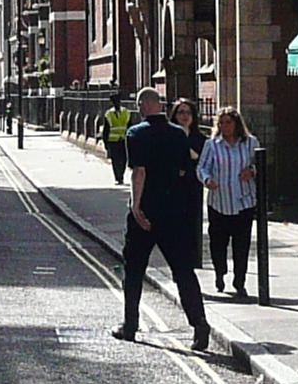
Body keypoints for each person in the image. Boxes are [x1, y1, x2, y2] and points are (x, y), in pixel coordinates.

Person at [116, 86, 210, 348]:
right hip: (174, 213)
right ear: (159, 105)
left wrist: (136, 207)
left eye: (138, 105)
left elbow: (139, 173)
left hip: (146, 211)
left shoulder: (136, 133)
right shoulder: (178, 134)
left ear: (144, 106)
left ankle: (130, 325)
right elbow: (183, 171)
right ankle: (199, 324)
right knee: (183, 271)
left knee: (134, 270)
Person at [199, 108, 262, 297]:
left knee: (241, 245)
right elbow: (202, 167)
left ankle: (239, 282)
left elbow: (260, 162)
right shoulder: (212, 145)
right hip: (219, 202)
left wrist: (251, 170)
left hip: (244, 201)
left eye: (228, 123)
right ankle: (220, 273)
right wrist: (207, 180)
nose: (225, 127)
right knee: (218, 244)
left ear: (236, 124)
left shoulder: (250, 143)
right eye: (221, 123)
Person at [101, 98, 133, 185]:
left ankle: (121, 175)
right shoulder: (109, 114)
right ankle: (118, 177)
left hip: (123, 140)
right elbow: (106, 129)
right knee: (115, 160)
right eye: (115, 102)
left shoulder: (126, 113)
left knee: (123, 159)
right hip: (113, 141)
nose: (117, 104)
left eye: (117, 102)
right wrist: (105, 142)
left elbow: (130, 127)